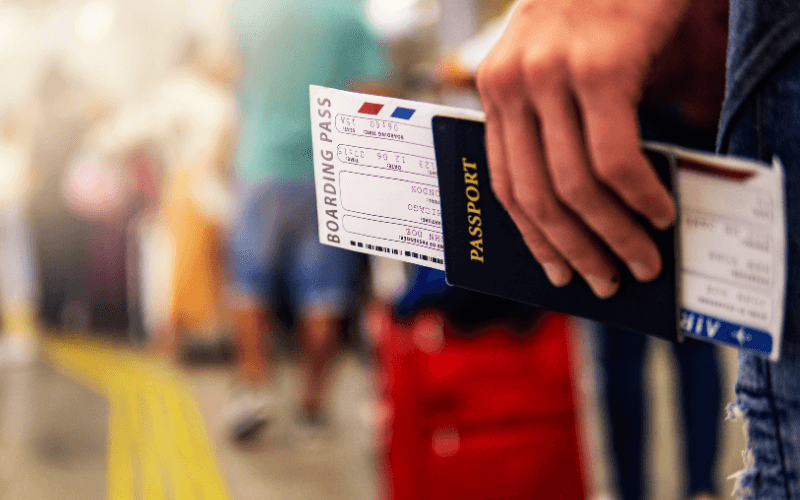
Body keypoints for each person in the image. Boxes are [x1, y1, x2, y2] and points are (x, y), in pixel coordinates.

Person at [475, 0, 800, 498]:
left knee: (663, 335)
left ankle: (683, 484)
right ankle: (674, 485)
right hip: (669, 119)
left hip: (662, 118)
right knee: (662, 338)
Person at [227, 0, 390, 441]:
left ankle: (253, 390)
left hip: (258, 164)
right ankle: (313, 401)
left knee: (248, 283)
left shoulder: (248, 9)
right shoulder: (348, 11)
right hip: (328, 165)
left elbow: (234, 78)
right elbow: (372, 87)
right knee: (325, 293)